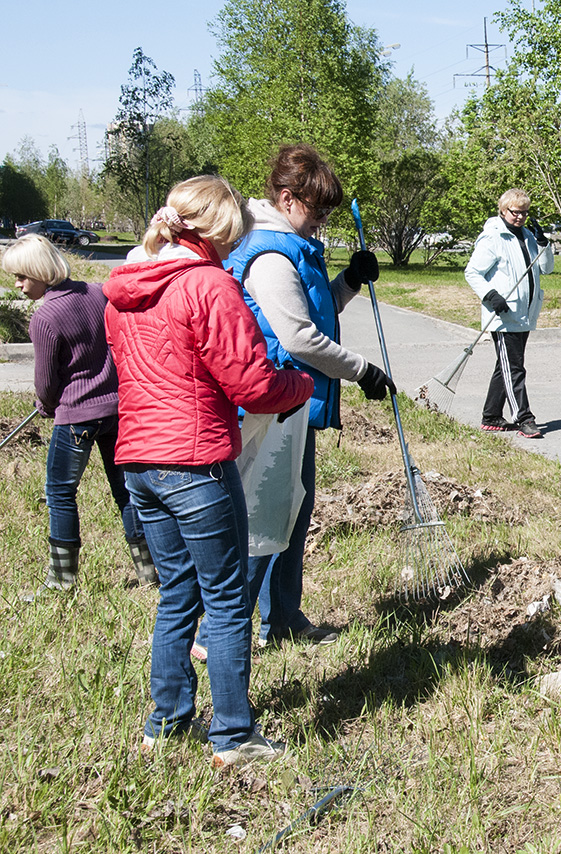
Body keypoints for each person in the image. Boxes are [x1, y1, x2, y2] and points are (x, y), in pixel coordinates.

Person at [104, 175, 313, 767]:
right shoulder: (208, 286)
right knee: (224, 601)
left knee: (177, 596)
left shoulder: (123, 288)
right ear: (221, 230)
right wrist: (300, 384)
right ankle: (233, 736)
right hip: (194, 461)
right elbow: (251, 383)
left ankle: (165, 723)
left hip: (138, 462)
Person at [224, 143, 393, 650]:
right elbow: (298, 338)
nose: (321, 220)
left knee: (293, 508)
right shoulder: (271, 253)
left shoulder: (295, 245)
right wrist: (361, 370)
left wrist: (349, 280)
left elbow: (318, 314)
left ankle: (282, 618)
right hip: (270, 405)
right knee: (265, 513)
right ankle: (223, 631)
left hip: (294, 405)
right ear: (286, 197)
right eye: (316, 209)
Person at [2, 234, 152, 590]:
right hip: (119, 410)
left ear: (40, 271)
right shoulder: (98, 293)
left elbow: (46, 382)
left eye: (22, 277)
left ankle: (62, 579)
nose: (18, 286)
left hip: (76, 417)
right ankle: (150, 570)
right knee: (127, 490)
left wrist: (46, 405)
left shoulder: (46, 317)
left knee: (60, 492)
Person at [464, 189, 554, 439]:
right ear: (503, 211)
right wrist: (491, 295)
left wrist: (544, 244)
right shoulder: (493, 237)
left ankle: (491, 416)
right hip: (504, 314)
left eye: (525, 212)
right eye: (516, 212)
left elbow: (546, 269)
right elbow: (472, 272)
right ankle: (523, 418)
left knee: (506, 366)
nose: (521, 217)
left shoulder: (527, 236)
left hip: (525, 312)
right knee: (514, 368)